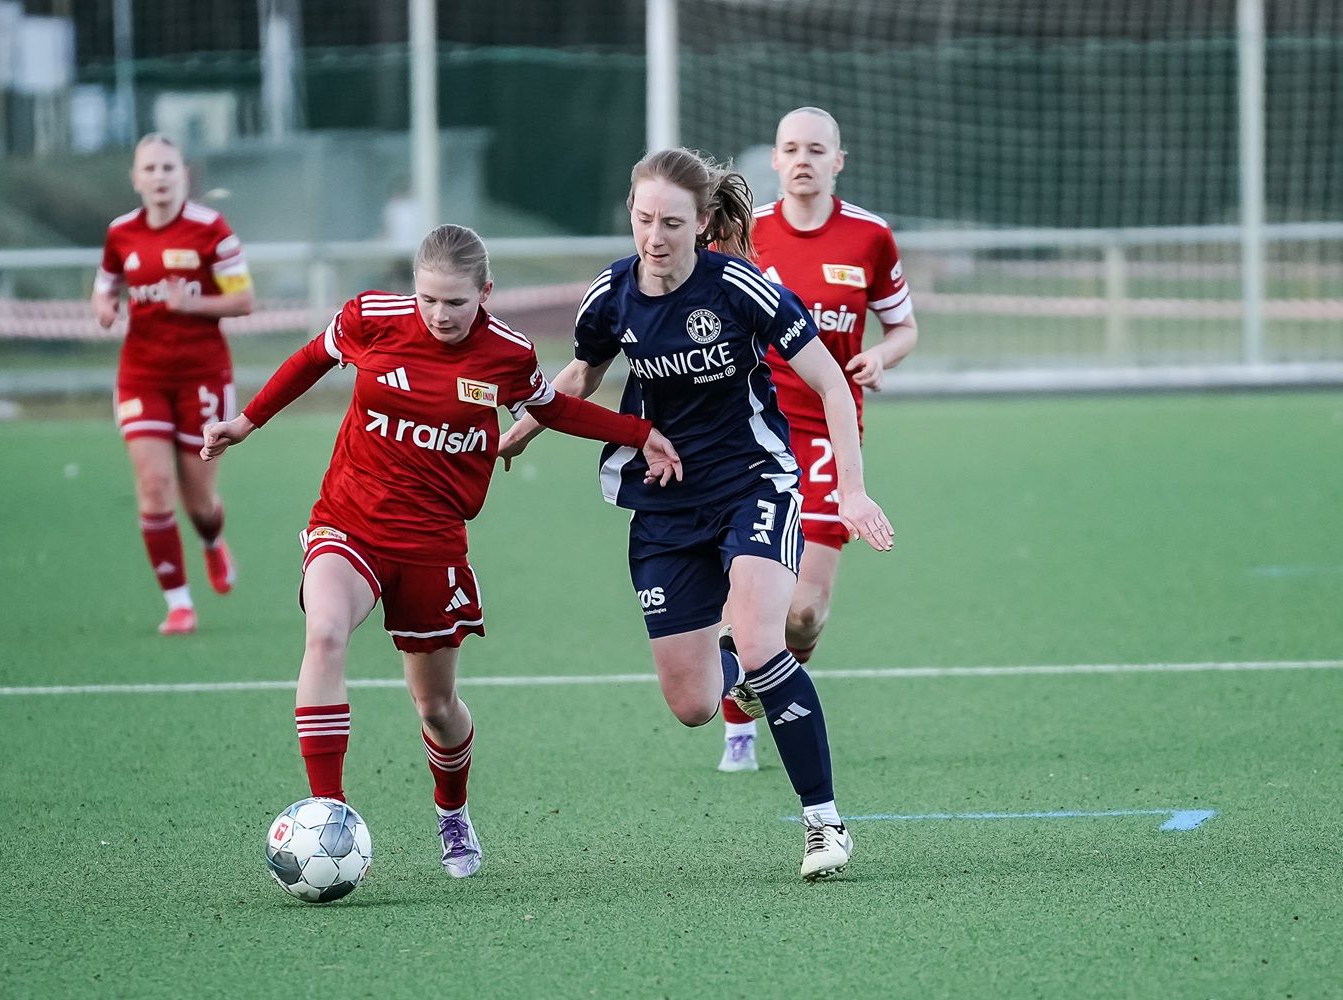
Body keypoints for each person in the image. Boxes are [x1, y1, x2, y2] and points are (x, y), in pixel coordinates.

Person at [201, 224, 680, 879]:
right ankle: (328, 814)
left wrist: (640, 431)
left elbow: (555, 408)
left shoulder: (506, 354)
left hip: (432, 543)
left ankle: (451, 810)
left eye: (456, 302)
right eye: (428, 299)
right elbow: (312, 357)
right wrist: (246, 423)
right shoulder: (372, 318)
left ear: (485, 293)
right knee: (326, 634)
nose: (440, 314)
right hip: (350, 520)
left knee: (436, 707)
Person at [498, 148, 894, 882]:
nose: (655, 236)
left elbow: (832, 385)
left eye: (672, 223)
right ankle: (738, 661)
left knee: (764, 639)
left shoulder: (741, 286)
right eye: (644, 219)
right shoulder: (611, 294)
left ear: (703, 223)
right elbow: (583, 371)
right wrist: (526, 424)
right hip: (663, 505)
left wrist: (853, 490)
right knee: (691, 705)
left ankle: (823, 823)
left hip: (755, 482)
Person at [717, 106, 919, 772]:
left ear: (839, 160)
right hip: (751, 430)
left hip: (830, 433)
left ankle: (758, 690)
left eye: (816, 149)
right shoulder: (745, 236)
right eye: (789, 148)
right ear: (774, 161)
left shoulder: (870, 238)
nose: (802, 159)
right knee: (744, 593)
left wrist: (881, 359)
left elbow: (903, 329)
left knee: (804, 613)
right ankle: (741, 710)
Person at [91, 133, 253, 635]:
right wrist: (103, 304)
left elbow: (244, 300)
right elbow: (106, 281)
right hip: (142, 375)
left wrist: (194, 305)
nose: (159, 178)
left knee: (198, 500)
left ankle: (211, 540)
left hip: (202, 376)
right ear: (136, 178)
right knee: (154, 487)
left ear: (184, 175)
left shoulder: (211, 230)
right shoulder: (121, 233)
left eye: (168, 168)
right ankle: (179, 603)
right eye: (150, 169)